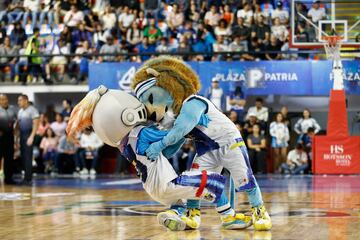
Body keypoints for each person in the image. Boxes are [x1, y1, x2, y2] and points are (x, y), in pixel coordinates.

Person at [16, 94, 39, 184]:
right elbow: (18, 126)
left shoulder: (32, 110)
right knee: (23, 157)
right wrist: (17, 139)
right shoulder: (20, 111)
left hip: (29, 134)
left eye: (20, 100)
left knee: (28, 157)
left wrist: (32, 136)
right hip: (22, 134)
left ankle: (28, 179)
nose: (18, 102)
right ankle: (25, 177)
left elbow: (36, 124)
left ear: (26, 100)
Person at [0, 94, 17, 184]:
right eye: (2, 99)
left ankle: (9, 178)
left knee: (9, 158)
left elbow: (15, 122)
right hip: (0, 137)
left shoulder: (12, 109)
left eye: (5, 99)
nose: (4, 101)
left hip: (9, 136)